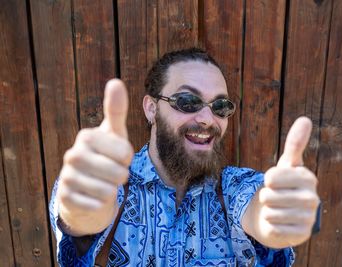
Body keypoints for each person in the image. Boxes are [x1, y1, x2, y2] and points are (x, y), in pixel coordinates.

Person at [49, 48, 320, 266]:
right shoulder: (111, 182)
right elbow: (83, 218)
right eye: (188, 102)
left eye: (220, 106)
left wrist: (274, 214)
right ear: (152, 109)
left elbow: (256, 205)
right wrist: (81, 213)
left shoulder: (233, 190)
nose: (206, 119)